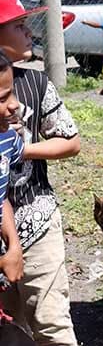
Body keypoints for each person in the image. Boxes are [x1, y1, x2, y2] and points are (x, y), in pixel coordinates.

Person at [0, 0, 87, 346]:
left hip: (35, 222)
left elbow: (70, 141)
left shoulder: (34, 83)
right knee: (9, 329)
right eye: (19, 26)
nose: (29, 32)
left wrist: (19, 150)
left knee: (51, 323)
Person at [0, 51, 23, 296]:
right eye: (2, 98)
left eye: (12, 93)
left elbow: (0, 197)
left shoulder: (7, 139)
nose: (14, 104)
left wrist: (14, 246)